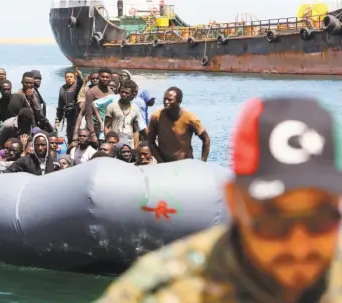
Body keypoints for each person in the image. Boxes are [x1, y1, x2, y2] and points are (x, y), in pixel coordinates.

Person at [94, 96, 342, 303]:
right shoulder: (163, 292)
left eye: (321, 218)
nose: (298, 245)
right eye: (273, 219)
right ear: (235, 201)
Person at [148, 86, 210, 163]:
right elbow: (150, 141)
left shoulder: (190, 118)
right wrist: (160, 161)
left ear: (179, 101)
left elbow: (206, 139)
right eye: (165, 99)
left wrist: (203, 162)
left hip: (185, 164)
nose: (166, 102)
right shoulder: (156, 116)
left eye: (170, 100)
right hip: (164, 163)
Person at [74, 68, 113, 143]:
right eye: (102, 77)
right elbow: (88, 115)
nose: (105, 79)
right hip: (94, 127)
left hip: (107, 128)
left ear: (110, 78)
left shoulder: (111, 93)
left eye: (107, 77)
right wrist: (92, 134)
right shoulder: (91, 92)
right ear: (99, 78)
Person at [104, 80, 143, 149]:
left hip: (129, 145)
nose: (124, 94)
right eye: (122, 92)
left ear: (132, 94)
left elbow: (135, 130)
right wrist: (109, 142)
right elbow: (106, 127)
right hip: (114, 144)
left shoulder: (135, 109)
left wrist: (136, 146)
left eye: (127, 93)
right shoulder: (112, 106)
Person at [55, 68, 84, 143]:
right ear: (65, 78)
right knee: (69, 135)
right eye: (67, 77)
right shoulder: (62, 88)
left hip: (78, 115)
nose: (69, 78)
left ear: (74, 78)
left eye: (71, 77)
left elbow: (81, 83)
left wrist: (79, 76)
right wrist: (58, 119)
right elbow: (60, 105)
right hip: (68, 116)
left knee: (78, 134)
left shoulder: (77, 86)